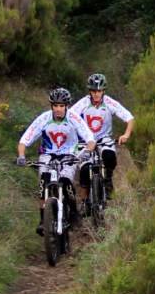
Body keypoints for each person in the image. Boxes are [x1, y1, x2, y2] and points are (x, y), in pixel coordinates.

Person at [16, 86, 98, 234]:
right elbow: (25, 140)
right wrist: (22, 156)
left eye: (61, 106)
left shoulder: (73, 118)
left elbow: (90, 138)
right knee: (43, 180)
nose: (58, 109)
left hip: (69, 155)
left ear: (67, 106)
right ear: (51, 106)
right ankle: (43, 219)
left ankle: (73, 213)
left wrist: (87, 151)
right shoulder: (44, 118)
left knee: (66, 181)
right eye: (55, 105)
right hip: (47, 155)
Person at [69, 72, 134, 209]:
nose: (96, 94)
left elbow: (129, 117)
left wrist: (126, 134)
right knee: (85, 169)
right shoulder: (83, 103)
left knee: (109, 155)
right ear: (89, 91)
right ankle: (85, 201)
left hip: (104, 138)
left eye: (99, 91)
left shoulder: (109, 102)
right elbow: (69, 117)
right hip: (85, 140)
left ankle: (108, 179)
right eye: (93, 91)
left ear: (103, 90)